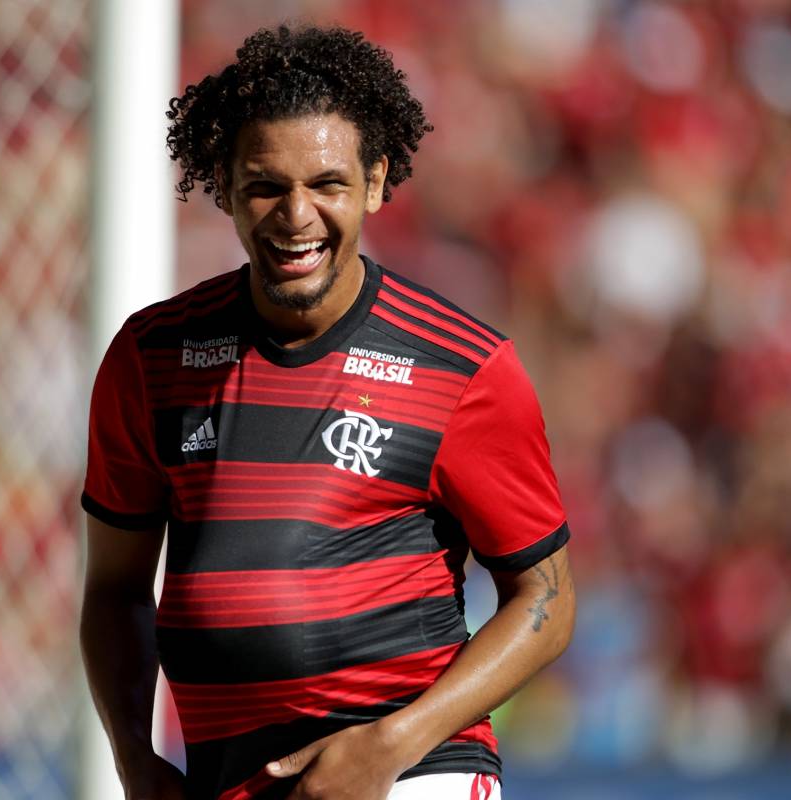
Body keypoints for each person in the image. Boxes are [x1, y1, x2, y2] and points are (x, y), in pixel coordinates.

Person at [80, 25, 575, 800]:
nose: (296, 215)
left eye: (328, 184)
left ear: (376, 182)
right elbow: (113, 589)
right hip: (225, 782)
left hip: (412, 773)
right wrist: (134, 762)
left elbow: (547, 597)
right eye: (267, 186)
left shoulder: (463, 366)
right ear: (224, 185)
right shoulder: (152, 358)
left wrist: (389, 746)